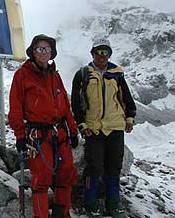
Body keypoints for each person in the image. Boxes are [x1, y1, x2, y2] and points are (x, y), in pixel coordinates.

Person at [9, 34, 79, 218]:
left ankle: (61, 213)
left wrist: (72, 130)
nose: (43, 52)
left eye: (47, 49)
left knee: (66, 174)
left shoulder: (55, 76)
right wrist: (20, 135)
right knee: (42, 178)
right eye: (40, 48)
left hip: (60, 133)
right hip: (37, 136)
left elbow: (65, 105)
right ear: (33, 51)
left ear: (52, 53)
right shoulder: (22, 75)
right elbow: (15, 106)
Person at [71, 38, 136, 218]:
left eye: (105, 52)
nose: (101, 56)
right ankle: (90, 202)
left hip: (115, 127)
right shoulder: (83, 74)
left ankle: (113, 203)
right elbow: (76, 103)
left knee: (114, 167)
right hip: (93, 128)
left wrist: (130, 117)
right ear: (92, 53)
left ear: (109, 54)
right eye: (98, 52)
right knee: (94, 166)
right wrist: (81, 124)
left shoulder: (117, 74)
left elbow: (127, 99)